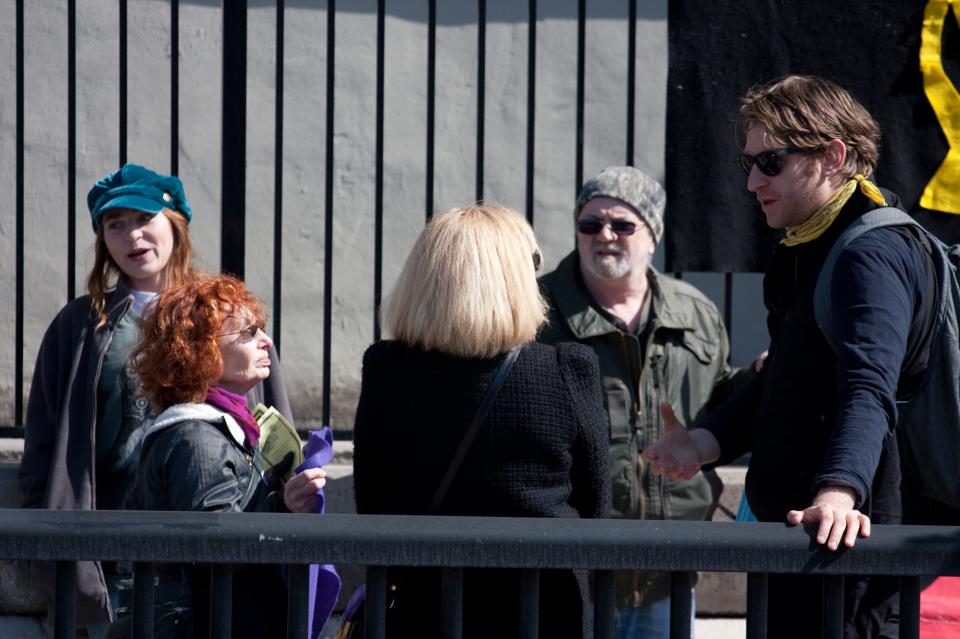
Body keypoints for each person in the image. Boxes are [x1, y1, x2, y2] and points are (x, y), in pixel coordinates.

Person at [643, 75, 936, 638]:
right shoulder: (814, 244)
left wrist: (838, 492)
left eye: (770, 161)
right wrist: (704, 443)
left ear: (833, 156)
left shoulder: (870, 253)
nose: (752, 181)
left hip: (843, 554)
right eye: (747, 162)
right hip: (805, 546)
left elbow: (868, 386)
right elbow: (789, 379)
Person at [17, 164, 295, 633]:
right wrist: (43, 531)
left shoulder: (224, 317)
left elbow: (269, 419)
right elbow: (43, 444)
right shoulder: (80, 325)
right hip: (104, 552)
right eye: (115, 224)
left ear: (175, 225)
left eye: (144, 218)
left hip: (206, 549)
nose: (132, 235)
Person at [352, 204, 610, 639]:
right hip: (545, 609)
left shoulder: (386, 370)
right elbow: (595, 504)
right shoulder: (568, 369)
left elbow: (372, 500)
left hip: (422, 608)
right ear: (513, 280)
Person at [537, 165, 757, 639]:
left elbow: (720, 407)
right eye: (590, 224)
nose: (605, 236)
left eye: (622, 224)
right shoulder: (538, 313)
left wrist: (759, 381)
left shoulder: (694, 312)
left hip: (668, 568)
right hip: (572, 566)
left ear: (652, 235)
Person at [132, 274, 325, 638]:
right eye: (249, 333)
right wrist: (281, 505)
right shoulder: (195, 437)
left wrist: (278, 498)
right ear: (199, 351)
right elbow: (219, 547)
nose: (267, 341)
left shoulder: (216, 426)